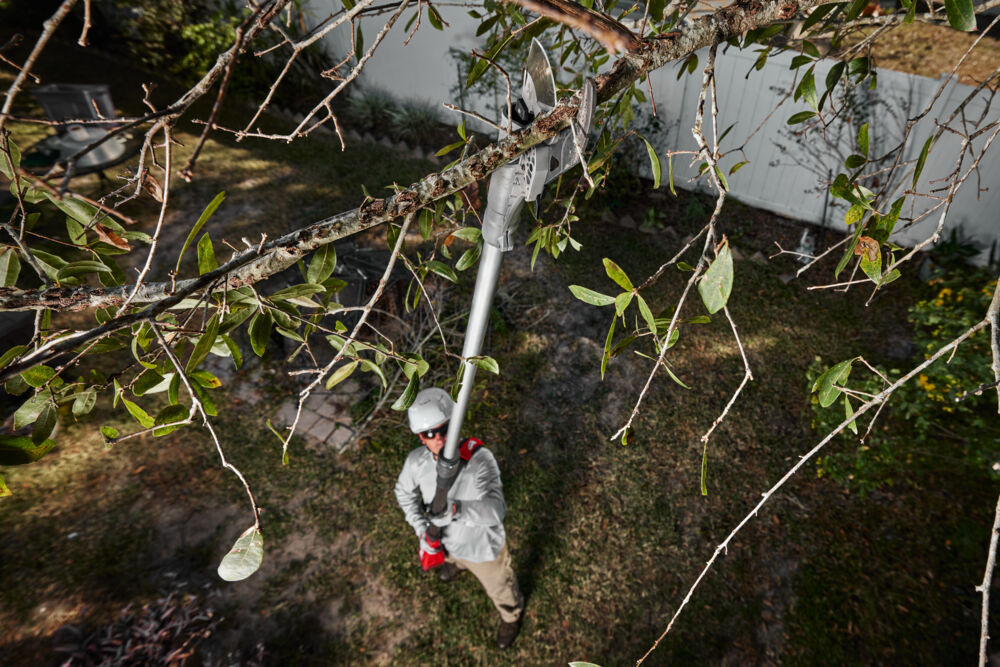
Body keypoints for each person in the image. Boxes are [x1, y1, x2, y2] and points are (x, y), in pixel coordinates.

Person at [394, 387, 525, 649]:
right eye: (430, 433)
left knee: (501, 587)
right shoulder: (416, 463)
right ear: (421, 437)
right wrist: (422, 529)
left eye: (445, 428)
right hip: (446, 542)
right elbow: (403, 493)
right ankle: (457, 564)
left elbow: (496, 510)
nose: (440, 438)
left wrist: (454, 510)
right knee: (453, 557)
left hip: (482, 549)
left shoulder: (480, 460)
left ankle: (511, 615)